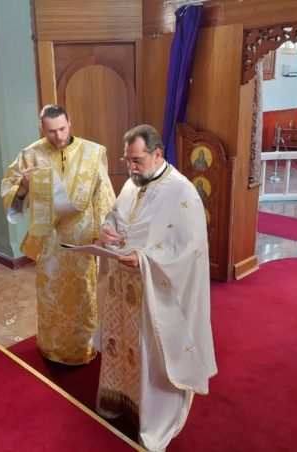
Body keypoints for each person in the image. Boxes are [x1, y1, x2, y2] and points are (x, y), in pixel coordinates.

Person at [96, 124, 217, 451]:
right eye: (127, 160)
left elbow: (190, 250)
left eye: (136, 160)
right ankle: (120, 400)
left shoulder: (182, 192)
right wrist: (107, 227)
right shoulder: (133, 183)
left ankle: (153, 416)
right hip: (123, 288)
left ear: (157, 154)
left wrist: (146, 260)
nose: (131, 168)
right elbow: (115, 215)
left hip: (153, 292)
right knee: (123, 344)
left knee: (147, 352)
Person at [0, 105, 115, 365]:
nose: (59, 136)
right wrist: (23, 186)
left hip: (83, 240)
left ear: (69, 122)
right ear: (42, 128)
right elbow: (10, 192)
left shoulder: (92, 153)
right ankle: (52, 347)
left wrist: (100, 233)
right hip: (50, 242)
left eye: (62, 128)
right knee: (51, 294)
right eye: (51, 131)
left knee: (83, 294)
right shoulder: (30, 155)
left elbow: (103, 196)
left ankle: (83, 348)